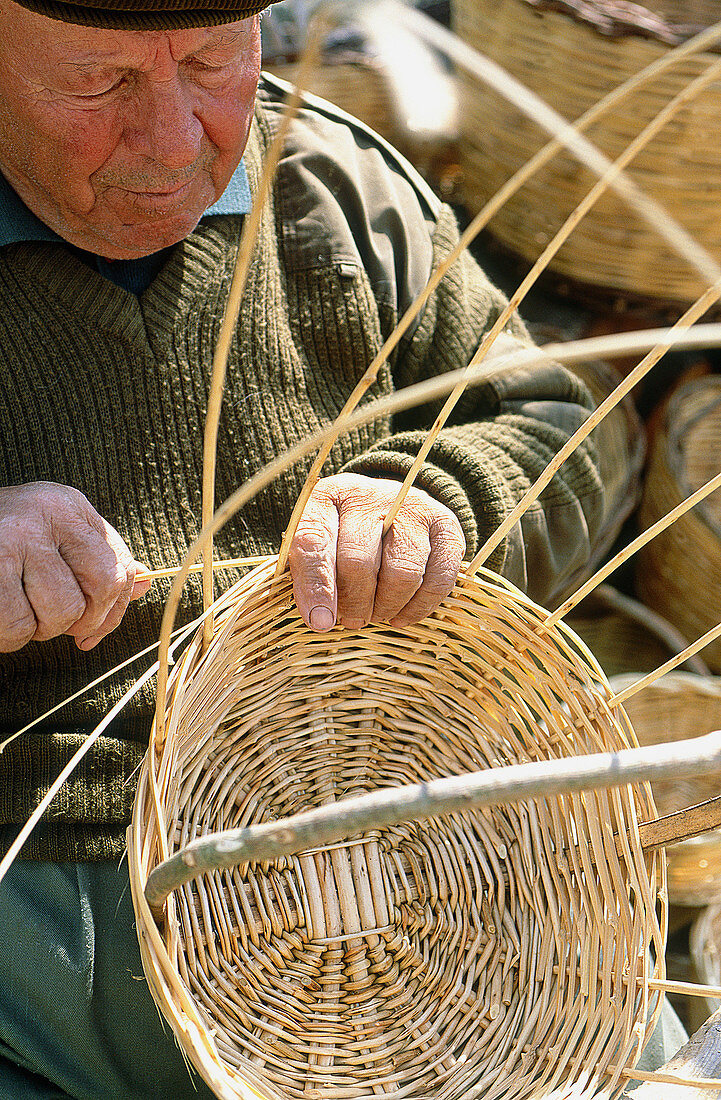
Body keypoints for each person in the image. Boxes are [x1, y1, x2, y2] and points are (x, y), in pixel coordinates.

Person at [0, 0, 684, 1095]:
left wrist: (434, 498)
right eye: (100, 85)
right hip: (53, 900)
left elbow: (555, 421)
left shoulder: (333, 182)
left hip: (428, 864)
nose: (177, 139)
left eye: (216, 61)